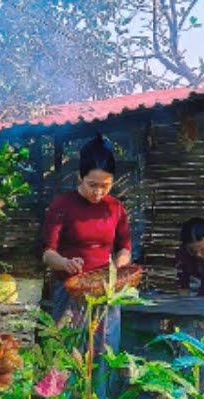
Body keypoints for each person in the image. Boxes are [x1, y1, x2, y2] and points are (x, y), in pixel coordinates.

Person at [40, 134, 132, 351]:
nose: (98, 192)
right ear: (80, 177)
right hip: (71, 292)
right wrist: (64, 263)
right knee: (67, 356)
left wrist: (120, 264)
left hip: (106, 293)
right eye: (92, 185)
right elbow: (48, 254)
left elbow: (125, 248)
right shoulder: (62, 205)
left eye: (106, 185)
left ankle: (103, 387)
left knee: (105, 355)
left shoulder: (115, 208)